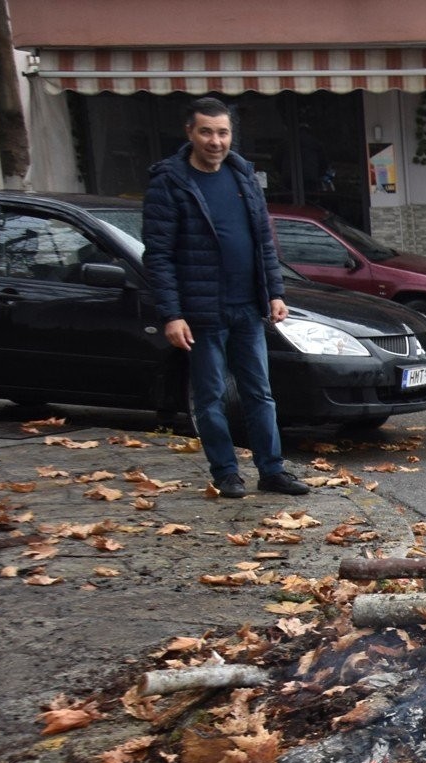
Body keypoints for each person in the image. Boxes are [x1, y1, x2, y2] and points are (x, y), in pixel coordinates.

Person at [142, 97, 308, 499]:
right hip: (202, 312)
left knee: (260, 393)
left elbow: (263, 241)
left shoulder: (243, 175)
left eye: (222, 132)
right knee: (211, 396)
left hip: (249, 307)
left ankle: (272, 471)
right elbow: (158, 255)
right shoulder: (170, 182)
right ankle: (226, 472)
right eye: (206, 132)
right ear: (190, 133)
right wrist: (171, 314)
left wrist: (275, 292)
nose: (215, 141)